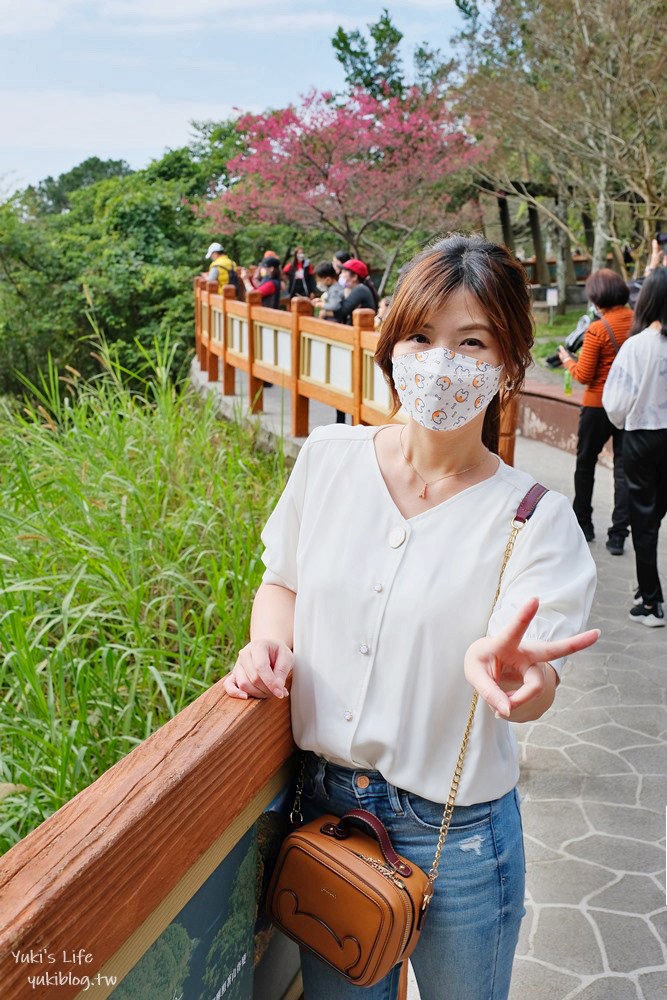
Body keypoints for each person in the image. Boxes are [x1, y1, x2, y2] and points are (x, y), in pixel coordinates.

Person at [224, 234, 598, 1000]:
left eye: (471, 342)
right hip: (330, 814)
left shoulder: (534, 518)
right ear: (393, 345)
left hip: (459, 835)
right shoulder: (328, 461)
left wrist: (519, 683)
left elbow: (532, 677)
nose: (439, 362)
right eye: (422, 337)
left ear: (506, 364)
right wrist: (267, 642)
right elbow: (282, 582)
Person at [603, 268, 667, 627]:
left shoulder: (637, 346)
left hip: (642, 436)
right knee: (653, 514)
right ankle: (648, 591)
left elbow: (616, 404)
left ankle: (651, 602)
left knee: (644, 518)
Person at [557, 268, 633, 553]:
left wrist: (566, 360)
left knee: (585, 463)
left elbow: (584, 375)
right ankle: (618, 536)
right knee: (624, 470)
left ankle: (584, 524)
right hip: (628, 407)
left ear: (597, 297)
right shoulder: (638, 320)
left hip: (597, 407)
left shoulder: (598, 329)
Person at [332, 258, 379, 324]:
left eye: (344, 272)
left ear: (354, 277)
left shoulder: (360, 289)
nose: (340, 275)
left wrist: (325, 310)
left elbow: (341, 312)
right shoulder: (352, 290)